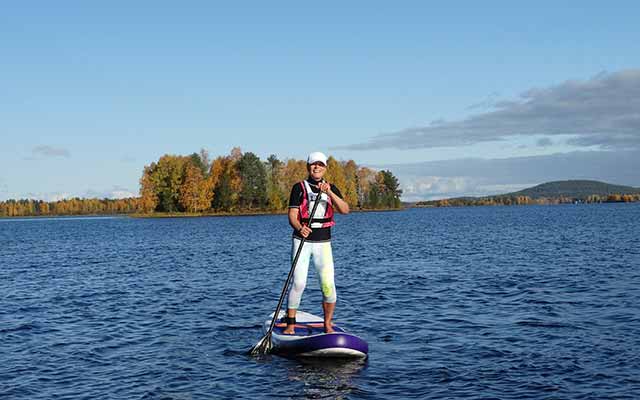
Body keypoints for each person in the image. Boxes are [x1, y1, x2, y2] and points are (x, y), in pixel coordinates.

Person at [283, 151, 350, 334]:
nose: (317, 167)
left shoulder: (331, 188)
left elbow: (345, 210)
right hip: (302, 242)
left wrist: (329, 193)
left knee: (328, 286)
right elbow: (292, 216)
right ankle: (290, 325)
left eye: (320, 164)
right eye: (313, 164)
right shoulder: (299, 187)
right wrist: (299, 227)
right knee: (299, 283)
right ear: (308, 167)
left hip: (323, 243)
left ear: (325, 168)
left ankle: (327, 324)